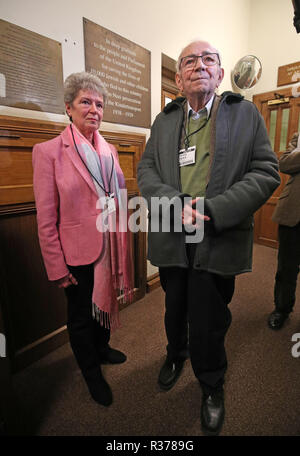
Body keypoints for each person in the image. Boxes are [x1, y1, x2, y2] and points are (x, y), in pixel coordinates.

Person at [137, 40, 280, 435]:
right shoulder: (164, 120)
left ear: (219, 73)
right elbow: (146, 172)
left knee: (210, 315)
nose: (199, 65)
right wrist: (174, 203)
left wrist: (214, 210)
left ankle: (212, 383)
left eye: (209, 60)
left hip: (217, 233)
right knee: (174, 306)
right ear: (180, 78)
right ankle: (174, 354)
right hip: (171, 232)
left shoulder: (245, 113)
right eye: (189, 61)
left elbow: (266, 171)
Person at [33, 72, 132, 406]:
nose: (94, 109)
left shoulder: (110, 150)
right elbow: (46, 218)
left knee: (104, 302)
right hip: (75, 253)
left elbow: (117, 195)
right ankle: (91, 372)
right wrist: (56, 267)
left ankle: (101, 349)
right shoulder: (48, 152)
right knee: (79, 316)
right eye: (85, 102)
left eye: (99, 104)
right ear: (69, 108)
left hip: (109, 248)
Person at [268, 132, 300, 330]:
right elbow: (285, 163)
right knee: (286, 268)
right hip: (293, 214)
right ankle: (282, 309)